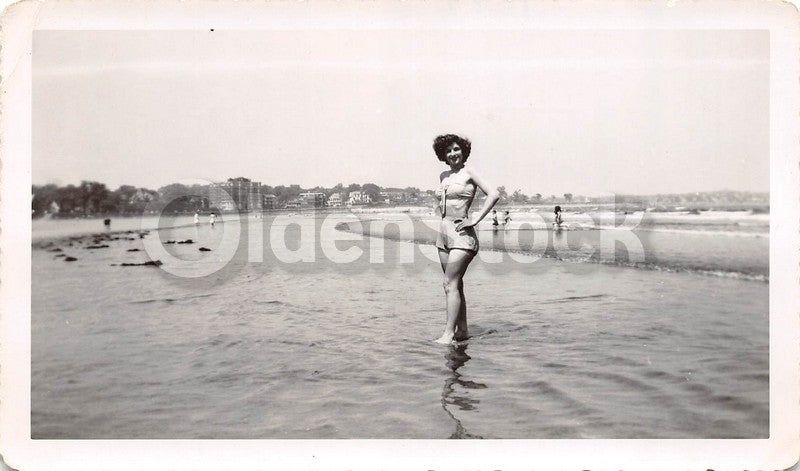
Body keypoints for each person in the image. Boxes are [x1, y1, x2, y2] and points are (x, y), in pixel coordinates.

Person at [432, 134, 500, 344]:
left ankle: (448, 334)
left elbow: (493, 193)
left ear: (464, 151)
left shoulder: (469, 172)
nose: (453, 154)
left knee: (449, 283)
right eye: (448, 151)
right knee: (456, 284)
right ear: (443, 154)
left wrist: (476, 219)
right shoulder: (443, 175)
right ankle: (462, 331)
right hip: (443, 234)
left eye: (456, 149)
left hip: (462, 234)